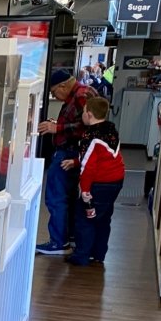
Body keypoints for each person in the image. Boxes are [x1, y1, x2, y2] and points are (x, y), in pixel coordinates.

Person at [36, 69, 99, 255]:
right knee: (68, 197)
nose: (55, 96)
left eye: (54, 92)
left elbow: (88, 125)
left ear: (63, 85)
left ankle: (58, 241)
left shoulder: (81, 95)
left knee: (56, 197)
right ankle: (67, 237)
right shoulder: (82, 92)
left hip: (68, 153)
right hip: (73, 152)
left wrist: (58, 128)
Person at [62, 96, 125, 266]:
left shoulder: (90, 136)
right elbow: (101, 156)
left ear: (89, 114)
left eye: (83, 112)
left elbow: (89, 167)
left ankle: (81, 256)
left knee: (85, 219)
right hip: (115, 181)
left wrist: (85, 191)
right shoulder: (111, 130)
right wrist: (76, 161)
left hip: (99, 183)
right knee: (104, 218)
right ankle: (99, 253)